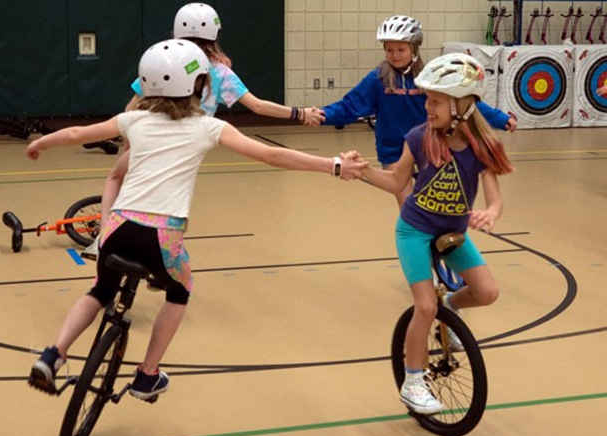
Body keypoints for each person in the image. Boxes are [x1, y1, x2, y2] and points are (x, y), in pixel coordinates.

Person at [26, 39, 367, 400]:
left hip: (117, 228)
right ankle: (147, 375)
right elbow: (270, 155)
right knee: (180, 290)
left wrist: (43, 142)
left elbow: (79, 134)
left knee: (99, 291)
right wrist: (333, 165)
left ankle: (54, 354)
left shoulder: (134, 120)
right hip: (161, 237)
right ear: (200, 86)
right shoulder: (208, 127)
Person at [84, 2, 323, 259]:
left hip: (150, 137)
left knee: (117, 179)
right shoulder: (220, 72)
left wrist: (129, 140)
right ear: (214, 34)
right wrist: (300, 113)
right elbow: (257, 105)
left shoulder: (164, 60)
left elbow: (131, 107)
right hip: (187, 145)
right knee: (168, 200)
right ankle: (162, 256)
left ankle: (103, 238)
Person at [350, 53, 514, 414]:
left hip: (454, 231)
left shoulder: (482, 148)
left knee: (487, 292)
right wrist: (361, 172)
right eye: (427, 98)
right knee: (424, 306)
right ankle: (412, 382)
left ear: (462, 106)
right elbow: (396, 180)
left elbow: (496, 200)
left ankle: (451, 306)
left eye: (436, 100)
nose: (427, 106)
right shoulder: (420, 137)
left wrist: (490, 213)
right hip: (414, 231)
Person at [309, 15, 516, 207]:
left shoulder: (429, 77)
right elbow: (350, 105)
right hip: (394, 153)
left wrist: (500, 118)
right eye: (389, 50)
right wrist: (323, 115)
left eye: (401, 49)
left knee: (435, 208)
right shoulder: (378, 80)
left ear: (414, 49)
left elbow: (466, 105)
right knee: (410, 208)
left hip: (430, 147)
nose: (395, 55)